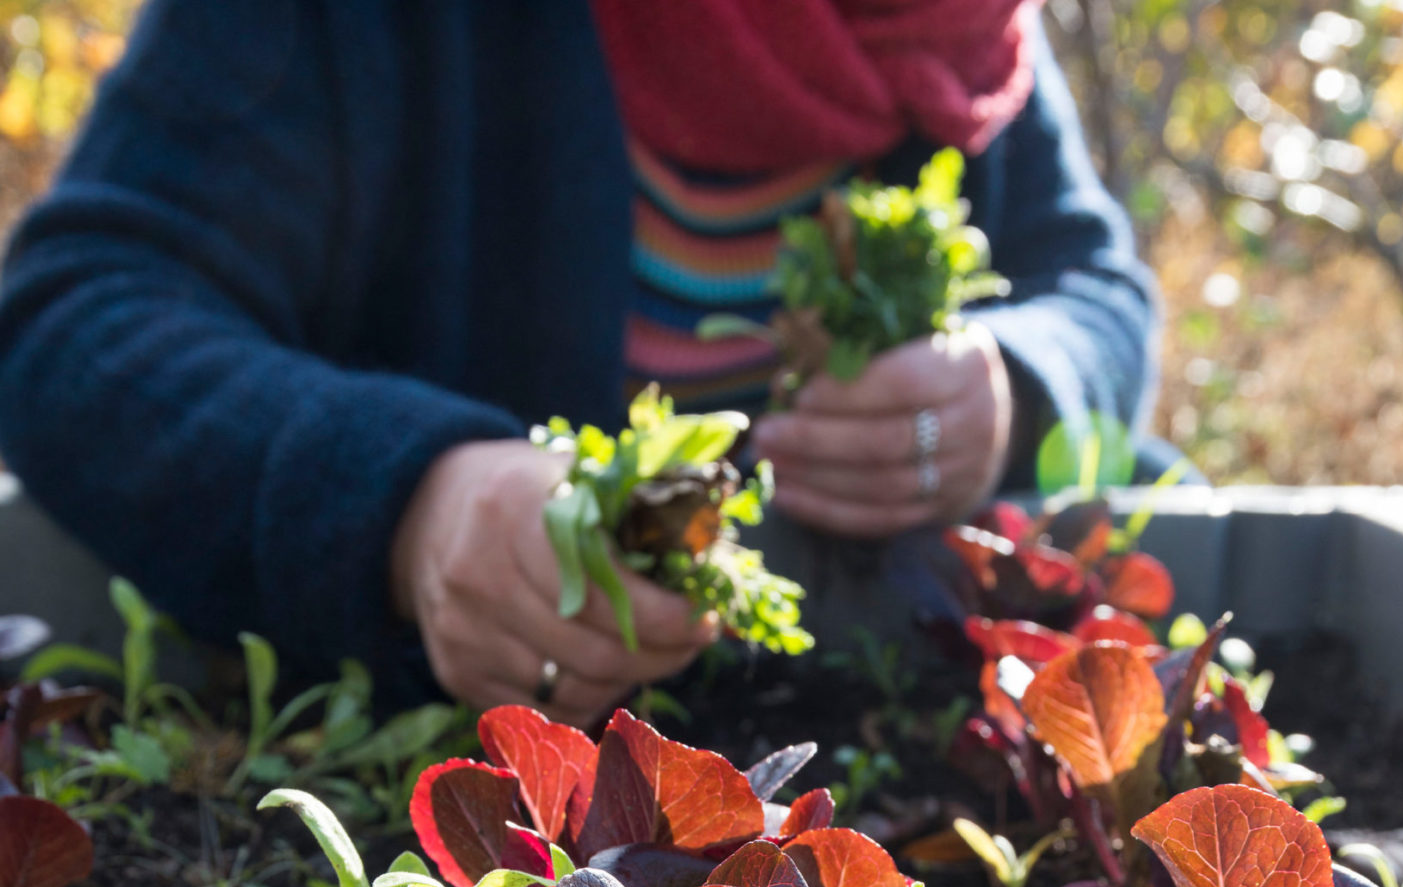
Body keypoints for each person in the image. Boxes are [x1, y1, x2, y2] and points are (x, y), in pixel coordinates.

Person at [0, 0, 1158, 726]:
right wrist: (409, 504)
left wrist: (1009, 389)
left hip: (872, 695)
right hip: (442, 734)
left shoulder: (955, 32)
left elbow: (1095, 288)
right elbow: (75, 316)